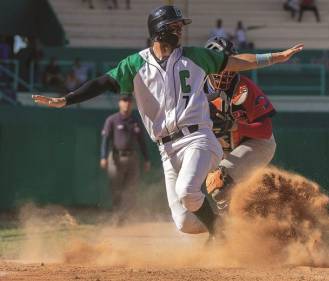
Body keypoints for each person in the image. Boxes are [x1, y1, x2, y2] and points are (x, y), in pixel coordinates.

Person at [32, 5, 303, 241]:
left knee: (188, 191)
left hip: (198, 138)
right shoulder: (134, 64)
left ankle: (220, 233)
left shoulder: (195, 56)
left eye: (179, 26)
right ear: (159, 29)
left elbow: (235, 62)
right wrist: (67, 99)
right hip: (166, 148)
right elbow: (102, 82)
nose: (180, 31)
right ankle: (236, 229)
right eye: (174, 26)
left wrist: (276, 57)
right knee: (185, 223)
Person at [203, 37, 276, 211]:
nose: (225, 71)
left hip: (255, 143)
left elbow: (266, 131)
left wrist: (235, 126)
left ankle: (228, 232)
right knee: (219, 189)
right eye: (221, 65)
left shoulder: (244, 87)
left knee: (219, 182)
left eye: (230, 65)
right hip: (223, 147)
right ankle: (249, 223)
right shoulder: (195, 88)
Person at [100, 94, 150, 222]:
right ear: (119, 103)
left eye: (129, 101)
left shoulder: (135, 121)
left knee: (130, 189)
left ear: (132, 104)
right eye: (124, 101)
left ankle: (127, 217)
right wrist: (103, 157)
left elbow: (142, 142)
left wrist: (146, 159)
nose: (126, 104)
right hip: (116, 157)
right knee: (116, 188)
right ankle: (117, 215)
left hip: (132, 158)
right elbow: (105, 139)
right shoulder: (112, 120)